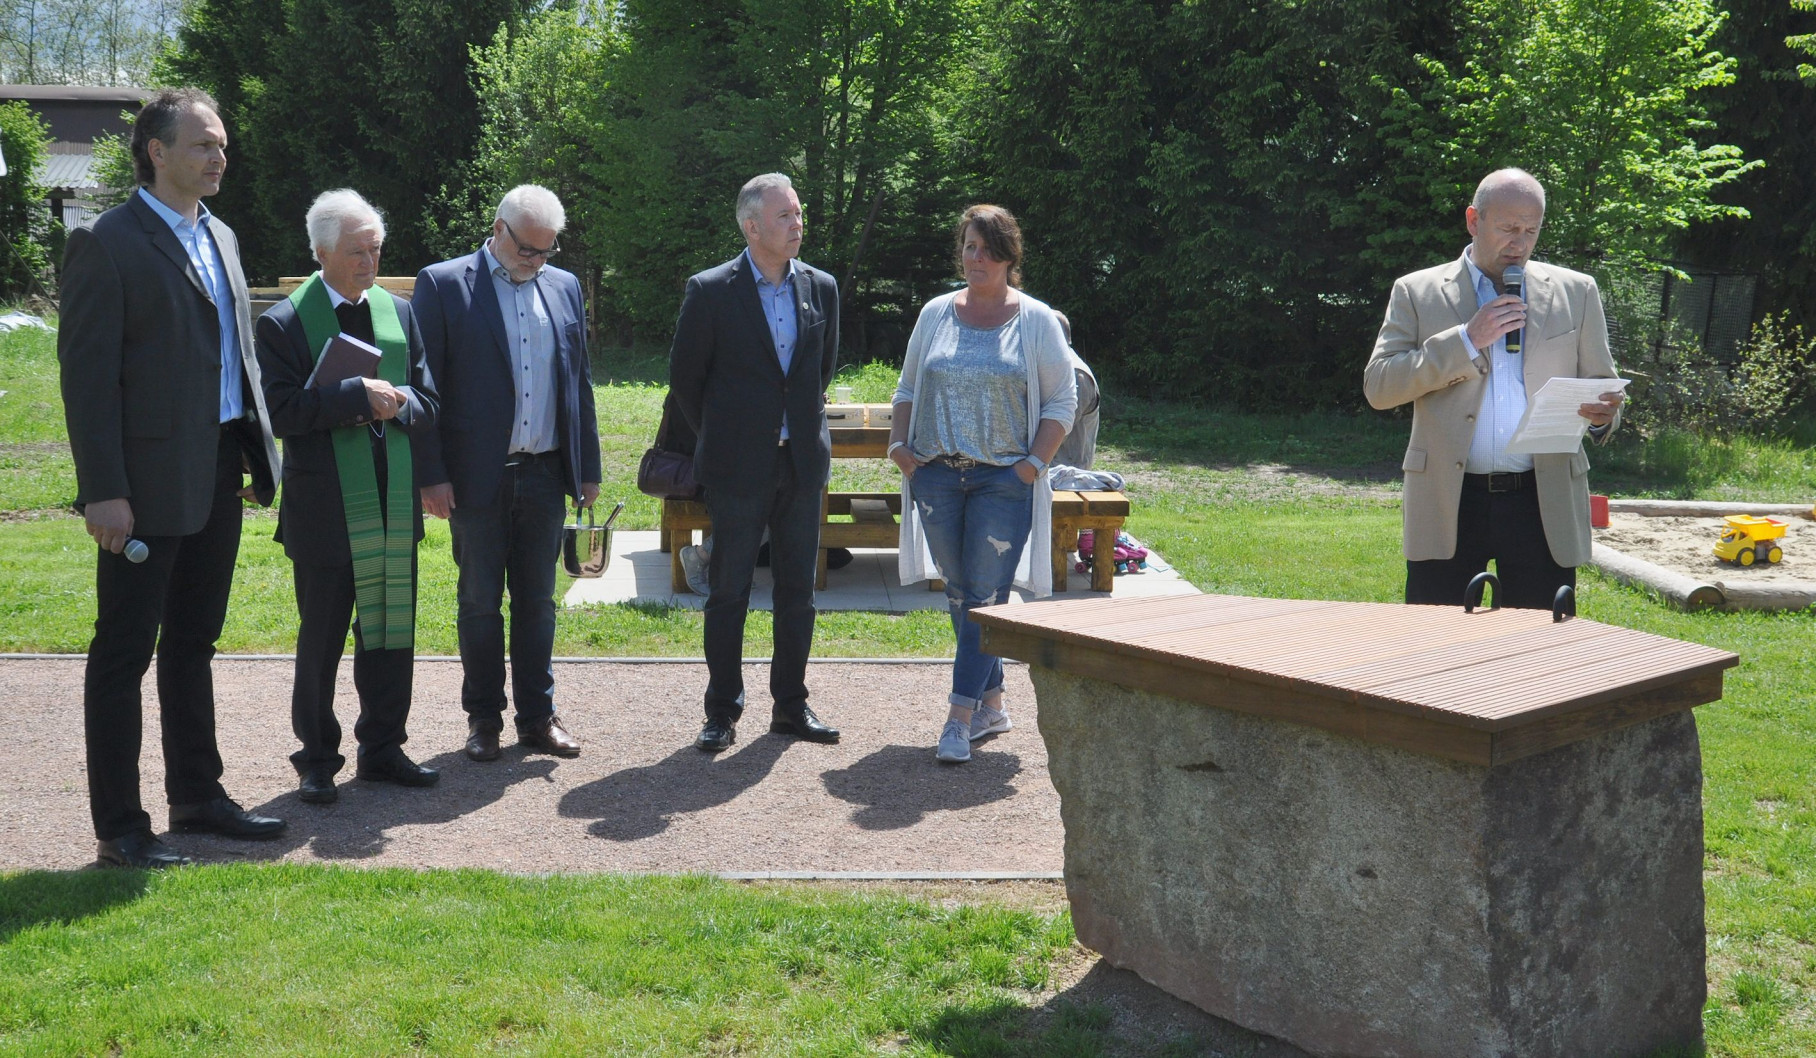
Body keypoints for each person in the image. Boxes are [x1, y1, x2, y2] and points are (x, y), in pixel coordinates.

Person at [58, 87, 286, 868]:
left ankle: (197, 797)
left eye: (221, 144)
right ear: (157, 152)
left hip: (217, 468)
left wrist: (254, 454)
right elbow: (87, 381)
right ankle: (121, 827)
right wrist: (103, 490)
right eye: (203, 145)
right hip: (141, 483)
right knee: (124, 652)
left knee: (193, 643)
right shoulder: (106, 243)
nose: (220, 156)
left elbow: (236, 356)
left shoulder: (220, 235)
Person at [1364, 168, 1623, 610]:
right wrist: (1466, 340)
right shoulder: (1417, 291)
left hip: (1541, 499)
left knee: (1540, 637)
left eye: (1531, 231)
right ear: (1473, 220)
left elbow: (1603, 383)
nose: (1519, 243)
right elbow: (1380, 386)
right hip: (1449, 497)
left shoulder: (1577, 292)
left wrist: (1604, 416)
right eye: (1507, 228)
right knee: (1435, 637)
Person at [256, 189, 441, 803]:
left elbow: (429, 400)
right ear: (321, 253)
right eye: (357, 251)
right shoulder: (284, 323)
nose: (369, 261)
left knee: (390, 630)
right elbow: (281, 413)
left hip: (392, 501)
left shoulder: (399, 313)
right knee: (322, 640)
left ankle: (383, 748)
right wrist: (357, 397)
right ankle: (315, 758)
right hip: (324, 510)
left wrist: (403, 402)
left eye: (376, 249)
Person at [412, 185, 601, 762]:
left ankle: (538, 718)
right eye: (527, 249)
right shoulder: (444, 284)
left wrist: (587, 468)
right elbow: (423, 386)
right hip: (475, 477)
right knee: (478, 601)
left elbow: (579, 382)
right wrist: (431, 474)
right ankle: (484, 719)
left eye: (547, 250)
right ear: (498, 230)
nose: (536, 261)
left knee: (539, 601)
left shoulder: (564, 287)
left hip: (545, 472)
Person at [888, 205, 1077, 764]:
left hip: (1003, 480)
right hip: (936, 476)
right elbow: (907, 388)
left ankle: (959, 717)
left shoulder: (1035, 320)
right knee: (959, 592)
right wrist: (899, 448)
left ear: (1009, 257)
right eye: (970, 247)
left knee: (985, 597)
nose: (977, 258)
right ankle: (992, 702)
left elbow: (1062, 401)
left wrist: (1031, 466)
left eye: (989, 249)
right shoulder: (935, 313)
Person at [669, 172, 842, 752]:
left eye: (798, 213)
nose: (797, 224)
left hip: (802, 464)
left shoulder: (821, 287)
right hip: (737, 467)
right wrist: (726, 437)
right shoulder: (711, 290)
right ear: (751, 227)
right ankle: (722, 711)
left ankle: (790, 706)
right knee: (729, 591)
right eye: (784, 216)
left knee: (798, 591)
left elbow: (821, 370)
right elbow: (686, 380)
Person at [1051, 311, 1100, 471]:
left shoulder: (1074, 374)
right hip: (1046, 469)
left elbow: (1057, 431)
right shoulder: (1054, 368)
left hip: (1065, 474)